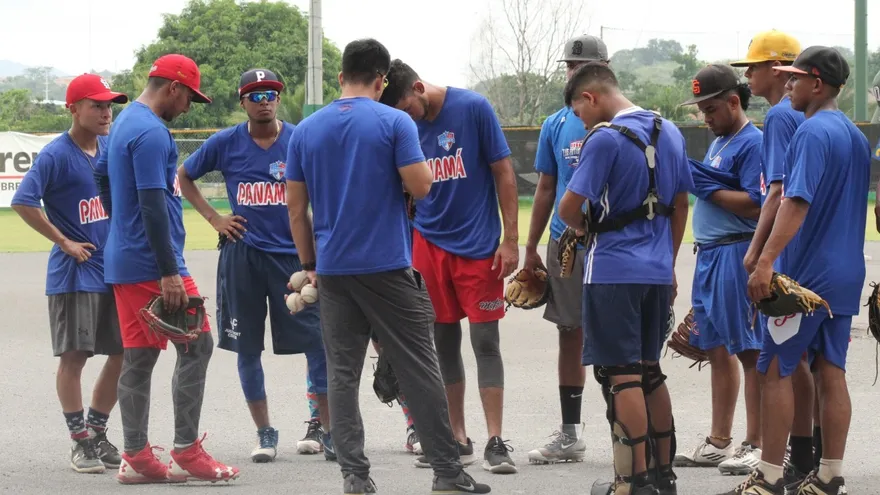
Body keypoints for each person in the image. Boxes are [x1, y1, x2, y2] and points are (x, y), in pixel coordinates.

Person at [283, 38, 491, 494]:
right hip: (388, 266)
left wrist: (310, 264)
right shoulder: (394, 121)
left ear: (341, 77)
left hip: (333, 270)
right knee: (419, 367)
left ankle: (355, 477)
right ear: (381, 81)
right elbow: (422, 186)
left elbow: (296, 210)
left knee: (342, 374)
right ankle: (447, 471)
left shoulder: (305, 130)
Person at [729, 46, 869, 495]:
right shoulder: (856, 136)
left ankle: (769, 477)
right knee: (831, 370)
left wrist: (765, 260)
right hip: (846, 270)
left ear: (818, 84)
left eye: (795, 77)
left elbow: (795, 201)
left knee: (774, 369)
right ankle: (829, 476)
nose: (787, 84)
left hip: (808, 275)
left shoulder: (811, 131)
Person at [93, 53, 239, 484]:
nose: (189, 107)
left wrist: (120, 225)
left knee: (138, 357)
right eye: (189, 97)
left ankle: (136, 456)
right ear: (173, 88)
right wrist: (169, 271)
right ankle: (187, 450)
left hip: (126, 259)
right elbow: (154, 206)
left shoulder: (124, 122)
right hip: (152, 263)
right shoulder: (153, 132)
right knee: (198, 345)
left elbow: (101, 174)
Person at [177, 68, 331, 463]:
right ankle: (265, 432)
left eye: (271, 94)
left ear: (278, 99)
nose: (264, 101)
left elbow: (324, 191)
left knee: (316, 343)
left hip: (293, 258)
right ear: (243, 102)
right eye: (255, 95)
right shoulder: (225, 142)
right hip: (242, 256)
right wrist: (214, 218)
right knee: (246, 347)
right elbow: (184, 175)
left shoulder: (299, 139)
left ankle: (327, 429)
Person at [378, 57, 520, 475]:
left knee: (486, 342)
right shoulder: (402, 125)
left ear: (418, 88)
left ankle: (496, 439)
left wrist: (511, 240)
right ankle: (457, 438)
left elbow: (504, 172)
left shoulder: (473, 108)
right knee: (442, 343)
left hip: (478, 247)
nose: (406, 118)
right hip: (427, 245)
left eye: (406, 108)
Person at [558, 61, 692, 495]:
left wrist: (584, 229)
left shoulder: (604, 138)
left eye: (580, 111)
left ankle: (631, 481)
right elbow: (681, 204)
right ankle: (662, 476)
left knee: (622, 376)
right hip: (657, 271)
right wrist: (668, 262)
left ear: (590, 97)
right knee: (650, 371)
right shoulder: (670, 131)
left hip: (612, 270)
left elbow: (568, 208)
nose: (582, 121)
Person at [11, 73, 128, 474]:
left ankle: (97, 431)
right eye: (97, 105)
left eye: (108, 105)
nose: (106, 112)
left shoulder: (109, 147)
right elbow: (23, 201)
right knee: (75, 357)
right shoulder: (56, 155)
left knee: (124, 352)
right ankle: (80, 441)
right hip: (75, 273)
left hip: (113, 269)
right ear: (74, 109)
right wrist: (64, 241)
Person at [730, 30, 818, 486]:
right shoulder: (812, 116)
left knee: (782, 361)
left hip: (789, 251)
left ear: (779, 69)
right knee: (807, 359)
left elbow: (779, 191)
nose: (748, 74)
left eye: (755, 66)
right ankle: (810, 454)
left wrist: (758, 254)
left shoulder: (782, 115)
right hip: (813, 248)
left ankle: (783, 459)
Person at [522, 34, 610, 465]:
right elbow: (545, 188)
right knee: (569, 333)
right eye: (570, 66)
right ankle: (571, 433)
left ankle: (627, 430)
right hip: (565, 243)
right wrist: (531, 247)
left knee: (613, 334)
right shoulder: (556, 123)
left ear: (603, 68)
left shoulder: (619, 121)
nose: (573, 72)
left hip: (610, 240)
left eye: (581, 65)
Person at [673, 64, 765, 476]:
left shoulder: (753, 143)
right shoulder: (719, 143)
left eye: (710, 109)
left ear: (733, 102)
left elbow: (756, 205)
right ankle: (718, 440)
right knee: (715, 347)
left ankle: (756, 443)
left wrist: (705, 186)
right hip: (710, 254)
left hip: (736, 252)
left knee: (749, 349)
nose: (705, 117)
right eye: (701, 110)